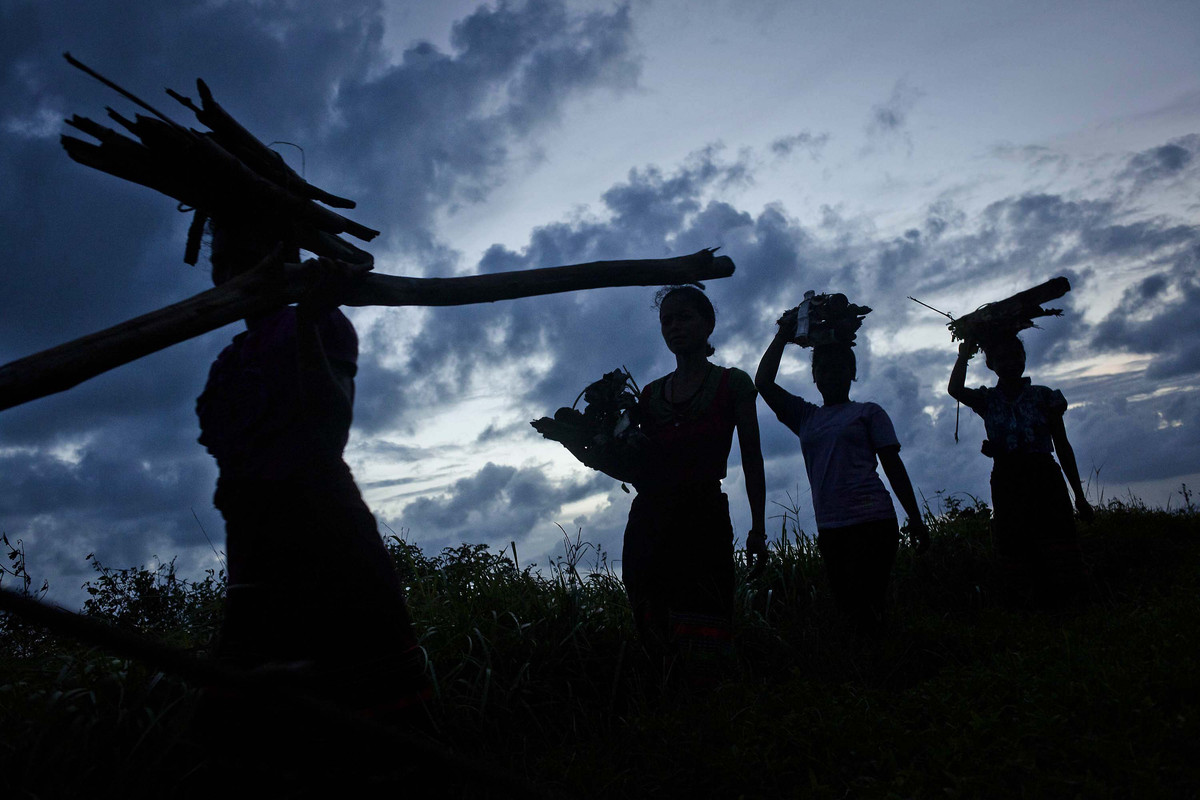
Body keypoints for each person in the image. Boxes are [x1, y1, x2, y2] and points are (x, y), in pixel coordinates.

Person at [195, 217, 429, 717]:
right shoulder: (230, 359)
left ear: (284, 260)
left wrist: (308, 321)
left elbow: (328, 431)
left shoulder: (321, 323)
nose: (229, 274)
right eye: (221, 263)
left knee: (368, 716)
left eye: (243, 259)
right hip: (254, 549)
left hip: (323, 535)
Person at [617, 285, 766, 677]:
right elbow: (638, 459)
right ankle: (666, 697)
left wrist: (758, 528)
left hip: (703, 516)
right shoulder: (650, 395)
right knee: (652, 615)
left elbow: (752, 458)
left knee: (705, 617)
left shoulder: (732, 383)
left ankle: (710, 699)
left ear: (708, 324)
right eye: (666, 320)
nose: (674, 327)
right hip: (651, 520)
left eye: (684, 317)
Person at [756, 306, 928, 635]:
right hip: (832, 527)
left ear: (852, 373)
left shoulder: (869, 413)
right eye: (823, 369)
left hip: (874, 521)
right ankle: (869, 661)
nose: (831, 375)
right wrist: (783, 334)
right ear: (814, 376)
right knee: (848, 607)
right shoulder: (805, 417)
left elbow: (894, 468)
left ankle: (885, 659)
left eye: (839, 368)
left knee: (870, 605)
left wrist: (916, 519)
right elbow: (763, 382)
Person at [947, 334, 1092, 607]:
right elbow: (955, 389)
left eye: (1016, 356)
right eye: (1002, 358)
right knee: (1015, 546)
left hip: (1045, 478)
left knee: (1058, 542)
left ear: (1024, 358)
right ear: (990, 364)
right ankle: (1029, 609)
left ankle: (1069, 607)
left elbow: (1062, 445)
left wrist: (1080, 496)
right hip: (1008, 480)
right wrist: (963, 355)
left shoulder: (1044, 396)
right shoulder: (988, 399)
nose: (1010, 363)